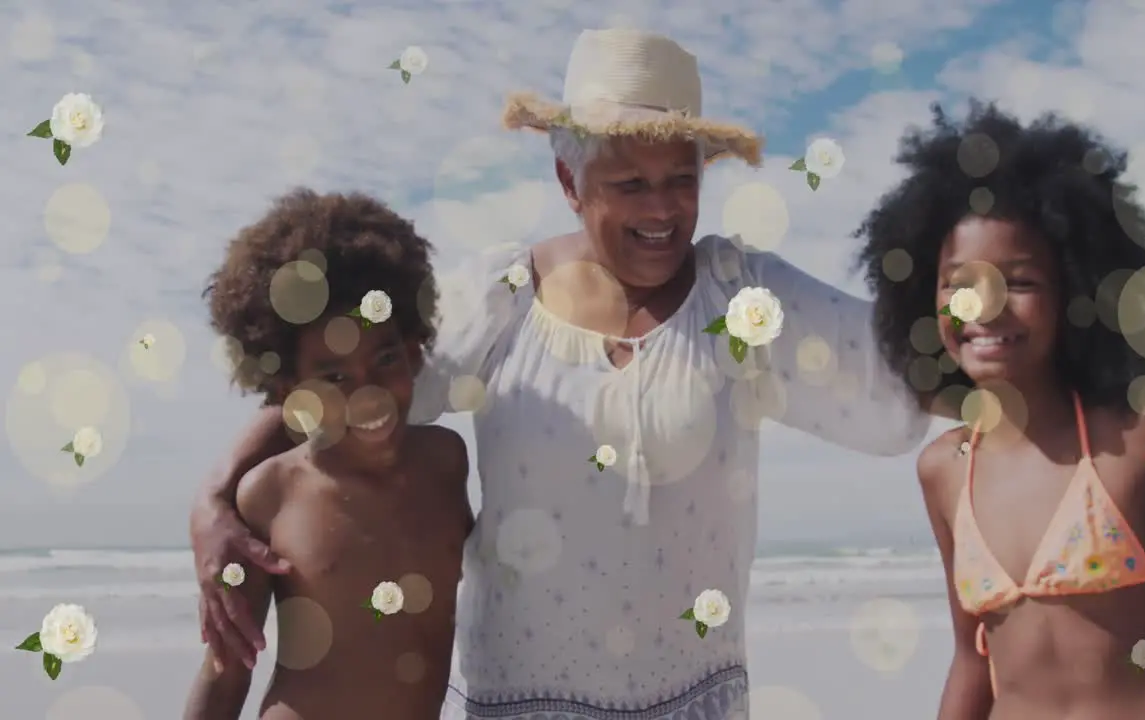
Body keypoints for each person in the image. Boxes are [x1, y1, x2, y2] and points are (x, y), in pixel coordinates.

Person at [188, 28, 931, 719]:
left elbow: (910, 370)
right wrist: (215, 498)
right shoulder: (503, 297)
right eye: (630, 183)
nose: (663, 207)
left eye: (681, 176)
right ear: (570, 182)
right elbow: (351, 392)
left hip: (696, 699)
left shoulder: (744, 301)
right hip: (520, 700)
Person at [855, 101, 1145, 719]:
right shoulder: (944, 470)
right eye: (958, 285)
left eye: (1018, 282)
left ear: (1075, 291)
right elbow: (973, 660)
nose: (983, 308)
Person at [182, 189, 472, 719]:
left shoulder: (446, 462)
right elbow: (225, 674)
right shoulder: (268, 494)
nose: (368, 394)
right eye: (334, 376)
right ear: (290, 386)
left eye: (384, 359)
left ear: (412, 347)